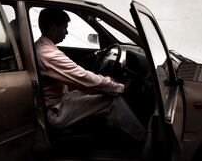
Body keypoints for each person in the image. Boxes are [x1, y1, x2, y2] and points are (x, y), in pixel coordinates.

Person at [35, 8, 146, 142]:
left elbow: (81, 79)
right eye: (64, 28)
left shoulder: (42, 46)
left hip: (60, 100)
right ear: (53, 28)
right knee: (112, 99)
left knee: (103, 90)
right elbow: (83, 77)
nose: (67, 32)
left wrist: (108, 82)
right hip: (55, 111)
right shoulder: (48, 54)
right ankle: (145, 141)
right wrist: (120, 87)